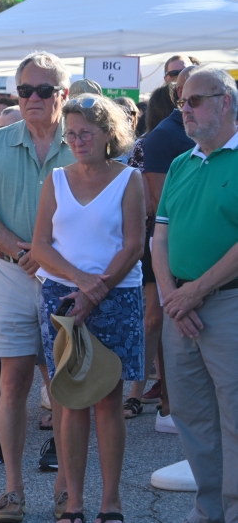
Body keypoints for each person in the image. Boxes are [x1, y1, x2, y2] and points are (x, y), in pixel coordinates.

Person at [0, 51, 75, 523]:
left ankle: (66, 488)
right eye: (24, 90)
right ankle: (12, 489)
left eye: (43, 91)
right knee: (12, 383)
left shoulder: (84, 139)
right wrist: (22, 252)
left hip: (65, 277)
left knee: (64, 385)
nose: (32, 99)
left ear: (62, 95)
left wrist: (45, 260)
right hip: (9, 273)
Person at [32, 94, 144, 523]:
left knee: (108, 401)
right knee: (71, 400)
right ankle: (73, 503)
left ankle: (110, 503)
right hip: (63, 298)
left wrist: (95, 291)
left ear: (108, 135)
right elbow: (40, 246)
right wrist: (81, 285)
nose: (77, 140)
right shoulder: (56, 179)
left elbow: (134, 245)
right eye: (71, 133)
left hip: (116, 296)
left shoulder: (128, 179)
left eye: (86, 133)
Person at [154, 67, 238, 523]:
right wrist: (172, 297)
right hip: (180, 309)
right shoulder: (183, 164)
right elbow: (160, 238)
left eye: (194, 101)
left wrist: (195, 292)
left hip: (227, 304)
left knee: (234, 418)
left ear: (225, 101)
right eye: (180, 101)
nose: (183, 110)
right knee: (193, 417)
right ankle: (209, 511)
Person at [142, 66, 199, 434]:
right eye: (186, 97)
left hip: (208, 265)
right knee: (163, 320)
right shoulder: (164, 140)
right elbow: (162, 213)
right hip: (177, 257)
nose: (190, 105)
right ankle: (168, 403)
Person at [121, 83, 177, 420]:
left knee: (156, 317)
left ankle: (150, 391)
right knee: (154, 317)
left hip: (151, 238)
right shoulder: (145, 147)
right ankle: (137, 392)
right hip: (152, 238)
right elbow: (148, 201)